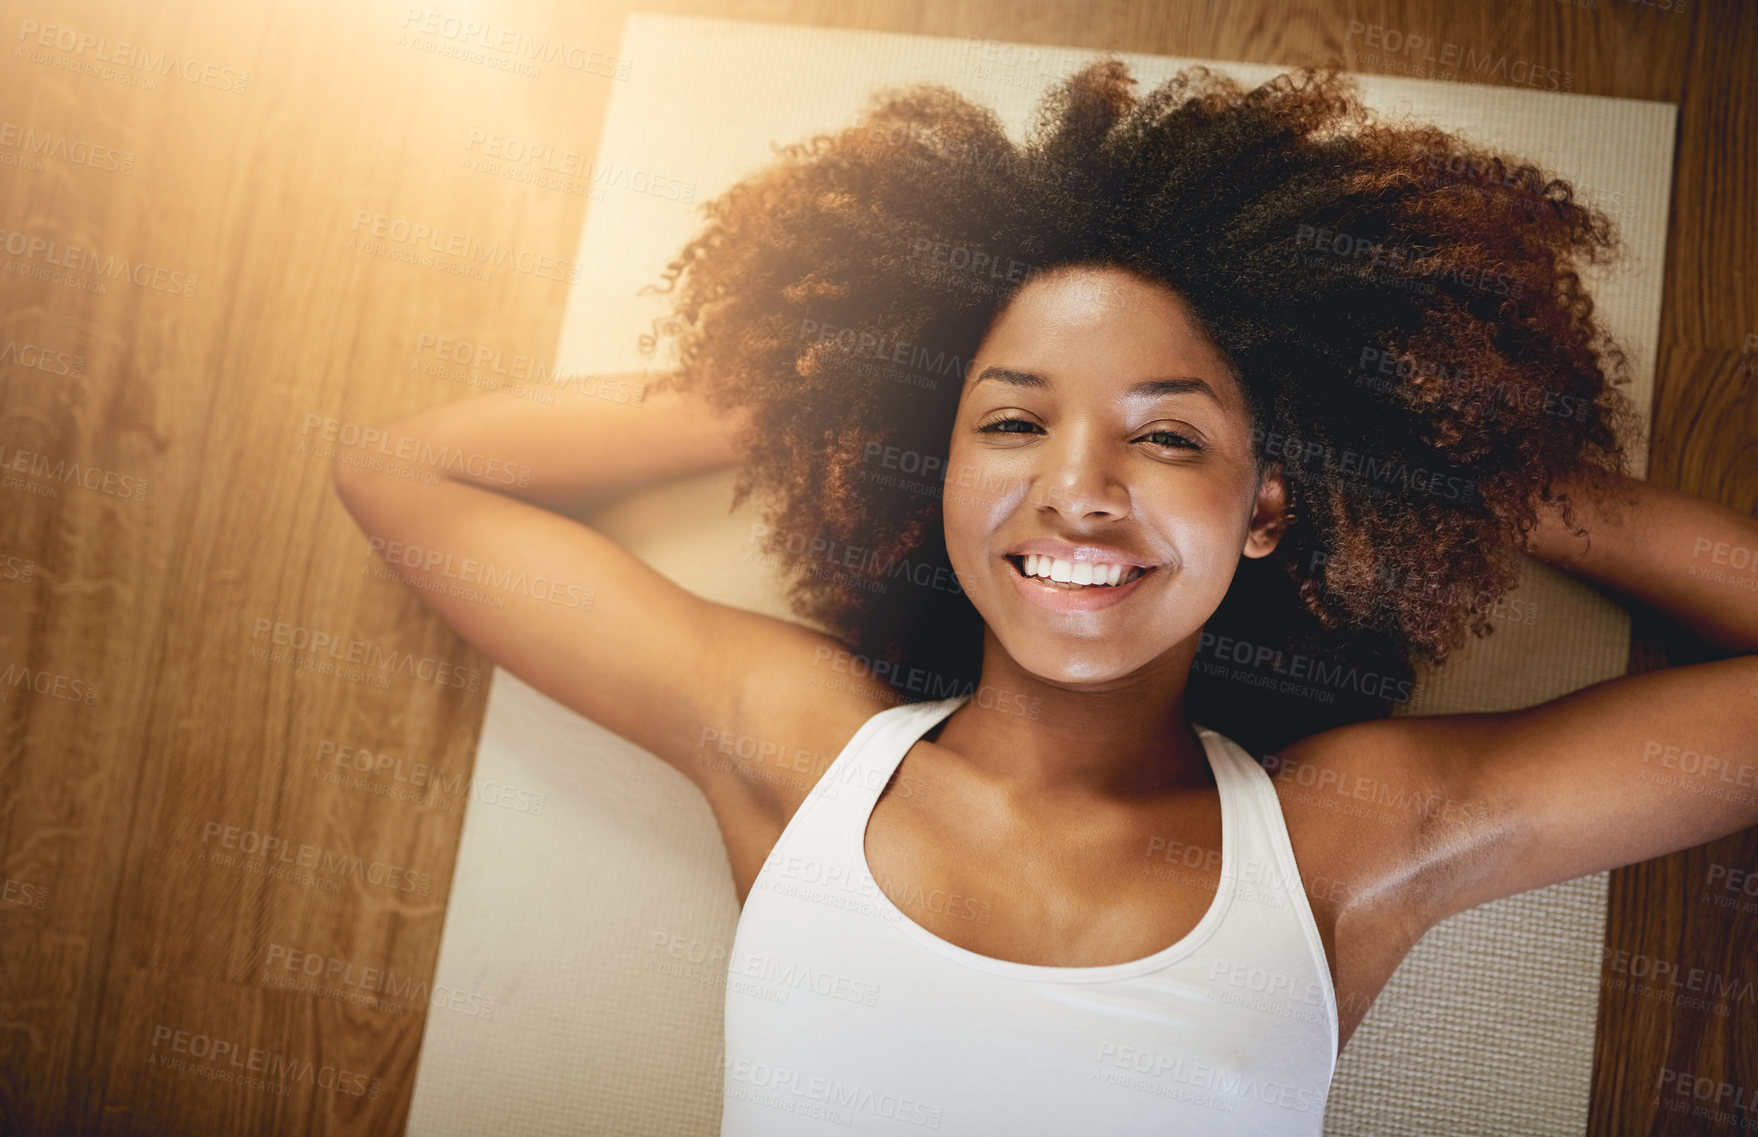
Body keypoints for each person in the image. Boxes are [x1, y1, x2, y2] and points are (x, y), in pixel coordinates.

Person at [333, 62, 1758, 1135]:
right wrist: (828, 375)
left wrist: (1464, 462)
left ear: (1268, 504)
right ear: (936, 459)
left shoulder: (1346, 841)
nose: (1077, 489)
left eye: (1167, 434)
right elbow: (403, 473)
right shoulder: (799, 753)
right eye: (1011, 421)